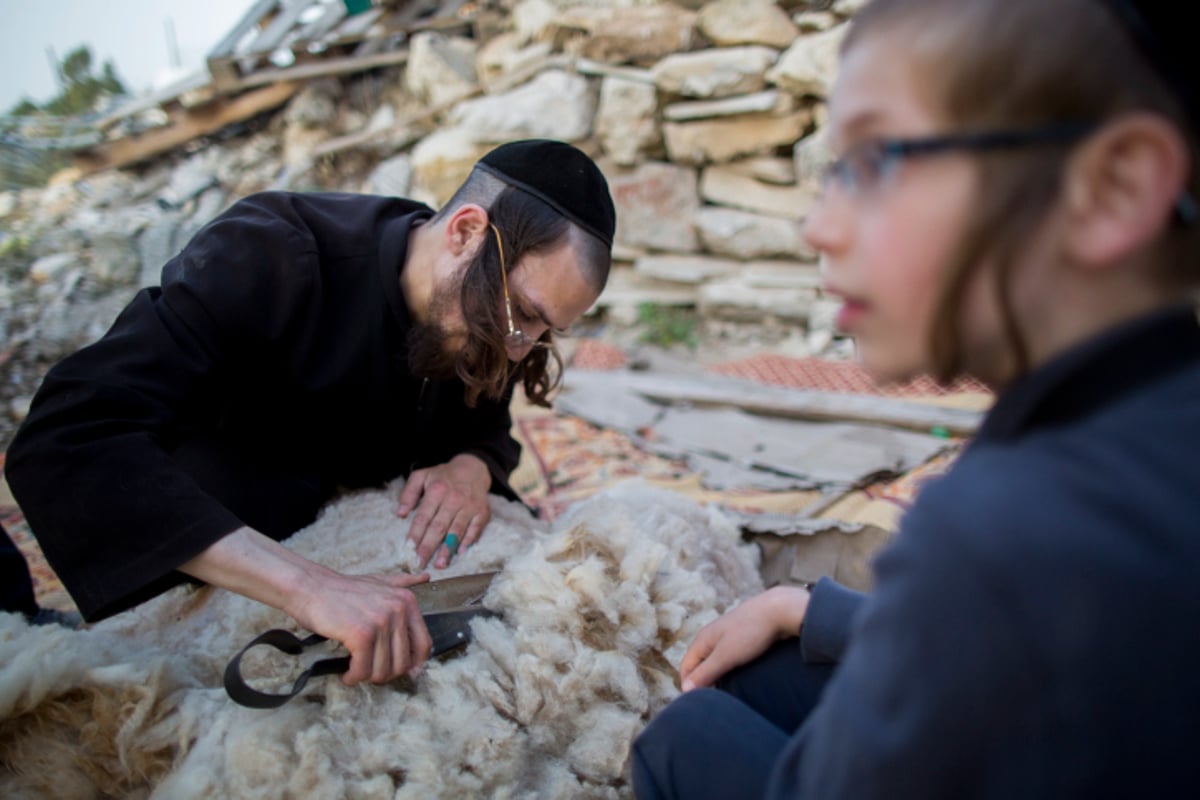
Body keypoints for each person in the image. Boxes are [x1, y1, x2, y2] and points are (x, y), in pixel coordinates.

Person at [632, 0, 1200, 797]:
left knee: (683, 730)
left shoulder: (995, 529)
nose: (817, 227)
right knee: (774, 664)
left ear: (1114, 186)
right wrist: (806, 607)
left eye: (875, 160)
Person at [5, 138, 616, 685]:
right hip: (207, 545)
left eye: (544, 332)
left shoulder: (484, 314)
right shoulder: (269, 252)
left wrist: (472, 464)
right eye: (525, 314)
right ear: (464, 232)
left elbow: (486, 425)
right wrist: (310, 586)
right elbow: (65, 437)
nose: (519, 348)